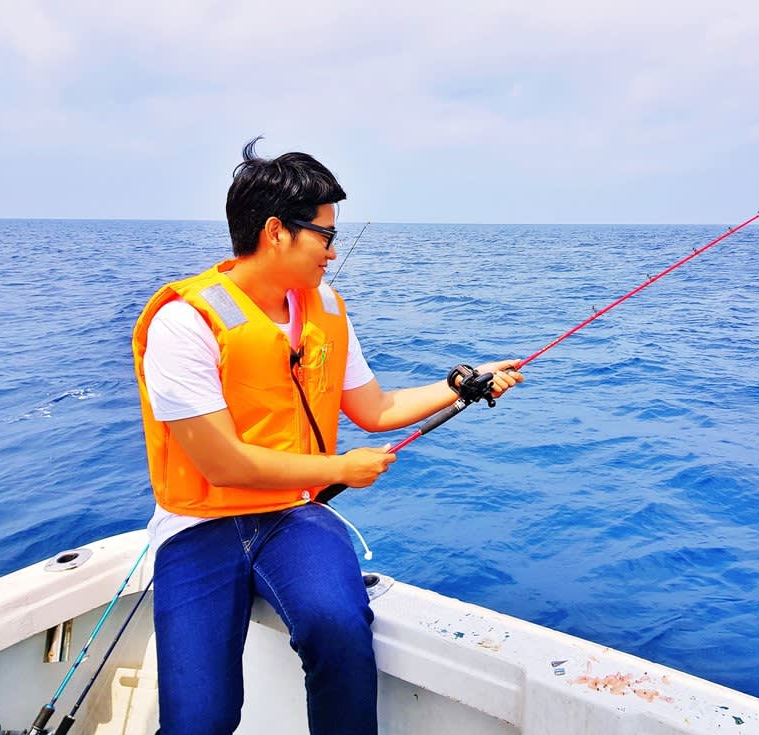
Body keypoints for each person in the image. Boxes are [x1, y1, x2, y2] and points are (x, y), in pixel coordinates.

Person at [131, 137, 523, 735]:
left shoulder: (327, 311)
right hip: (198, 525)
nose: (333, 252)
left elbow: (377, 408)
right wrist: (340, 469)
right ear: (276, 232)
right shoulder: (184, 323)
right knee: (199, 718)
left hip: (292, 517)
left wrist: (463, 383)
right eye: (324, 235)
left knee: (338, 629)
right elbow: (223, 464)